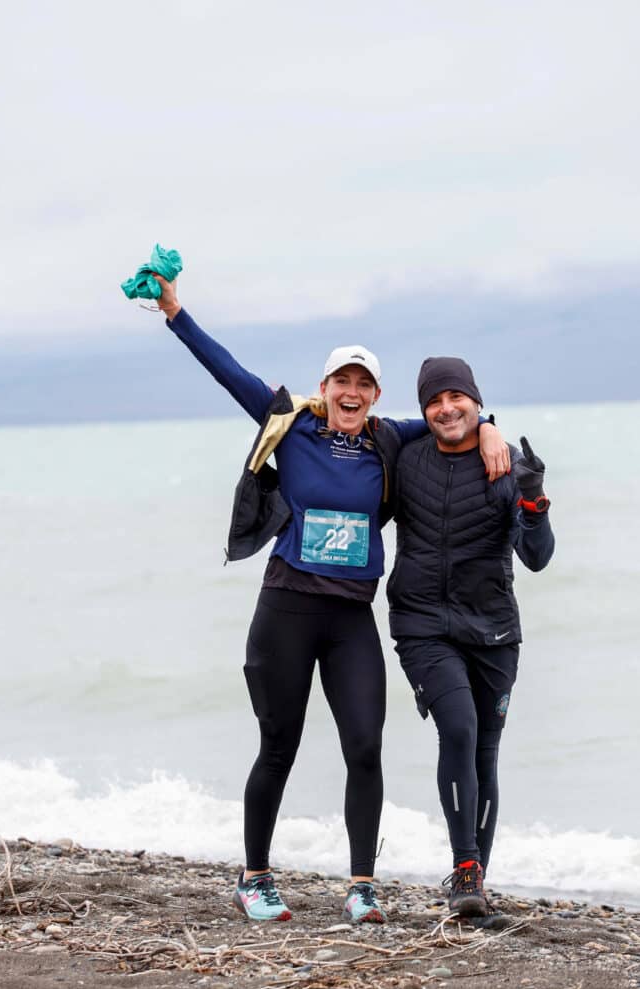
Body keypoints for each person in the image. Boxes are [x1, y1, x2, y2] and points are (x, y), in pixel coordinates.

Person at [152, 274, 509, 923]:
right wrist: (175, 312)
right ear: (324, 388)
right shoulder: (288, 425)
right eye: (340, 382)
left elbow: (448, 421)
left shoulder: (388, 437)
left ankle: (362, 885)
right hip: (286, 610)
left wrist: (488, 426)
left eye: (362, 384)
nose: (350, 392)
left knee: (364, 747)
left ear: (374, 395)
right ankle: (254, 877)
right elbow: (225, 370)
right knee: (278, 745)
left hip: (350, 617)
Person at [387, 356, 555, 917]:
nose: (446, 408)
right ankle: (464, 867)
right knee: (457, 728)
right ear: (423, 411)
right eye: (434, 401)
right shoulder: (406, 460)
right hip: (422, 625)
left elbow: (537, 558)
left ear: (476, 402)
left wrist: (532, 502)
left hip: (494, 630)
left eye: (456, 397)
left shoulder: (506, 466)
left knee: (486, 750)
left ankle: (473, 883)